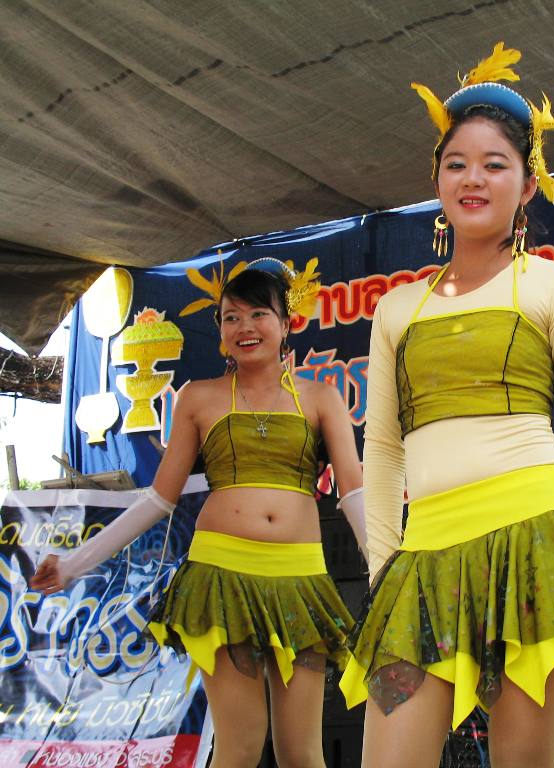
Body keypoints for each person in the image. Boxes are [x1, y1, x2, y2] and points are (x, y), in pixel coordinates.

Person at [339, 43, 554, 768]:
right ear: (437, 180)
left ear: (527, 183)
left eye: (493, 163)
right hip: (423, 557)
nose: (472, 178)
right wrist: (387, 566)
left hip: (538, 546)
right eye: (456, 163)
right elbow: (380, 450)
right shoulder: (395, 309)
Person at [31, 259, 366, 768]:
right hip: (222, 579)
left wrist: (389, 567)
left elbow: (354, 492)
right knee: (240, 746)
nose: (245, 328)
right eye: (231, 318)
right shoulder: (198, 397)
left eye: (258, 314)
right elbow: (158, 499)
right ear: (220, 332)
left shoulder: (322, 397)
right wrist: (74, 563)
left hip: (301, 580)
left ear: (286, 323)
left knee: (302, 752)